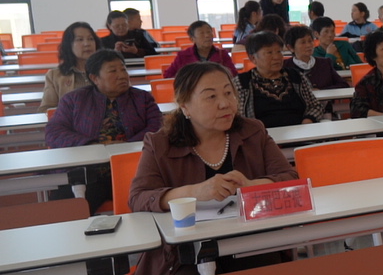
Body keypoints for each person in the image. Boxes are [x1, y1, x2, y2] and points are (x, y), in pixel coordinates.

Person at [119, 61, 293, 275]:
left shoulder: (252, 131)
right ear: (185, 106)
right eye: (211, 96)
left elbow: (287, 178)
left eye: (229, 93)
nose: (225, 103)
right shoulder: (159, 143)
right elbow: (138, 197)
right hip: (180, 257)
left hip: (246, 242)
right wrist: (194, 191)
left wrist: (252, 185)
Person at [45, 48, 163, 210]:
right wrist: (91, 144)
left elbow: (157, 127)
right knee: (65, 209)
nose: (122, 75)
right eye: (113, 71)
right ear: (95, 78)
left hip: (134, 170)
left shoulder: (142, 98)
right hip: (89, 172)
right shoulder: (74, 100)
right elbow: (54, 132)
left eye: (123, 69)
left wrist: (126, 145)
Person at [234, 32, 324, 127]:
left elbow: (315, 106)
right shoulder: (242, 83)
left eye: (279, 52)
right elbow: (239, 117)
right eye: (269, 53)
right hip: (261, 134)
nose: (277, 57)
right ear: (253, 58)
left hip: (301, 131)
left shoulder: (295, 76)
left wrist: (307, 122)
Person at [39, 22, 100, 112]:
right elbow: (46, 109)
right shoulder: (54, 75)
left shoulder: (107, 71)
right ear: (69, 45)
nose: (87, 43)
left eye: (91, 39)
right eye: (80, 40)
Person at [164, 20, 236, 78]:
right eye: (201, 33)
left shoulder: (222, 54)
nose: (207, 35)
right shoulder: (183, 56)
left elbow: (233, 74)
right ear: (192, 39)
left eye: (209, 32)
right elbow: (168, 75)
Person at [284, 25, 345, 90]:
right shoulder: (285, 66)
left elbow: (343, 84)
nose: (308, 45)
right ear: (291, 47)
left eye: (310, 41)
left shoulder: (325, 63)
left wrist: (321, 90)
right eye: (303, 42)